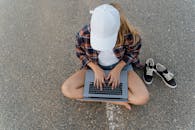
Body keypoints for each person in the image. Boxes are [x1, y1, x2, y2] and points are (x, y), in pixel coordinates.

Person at [61, 3, 149, 110]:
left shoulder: (128, 34)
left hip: (121, 67)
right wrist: (95, 69)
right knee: (67, 89)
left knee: (142, 97)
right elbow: (80, 53)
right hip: (94, 67)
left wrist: (118, 69)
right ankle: (117, 100)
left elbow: (133, 52)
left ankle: (91, 97)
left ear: (118, 28)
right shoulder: (83, 34)